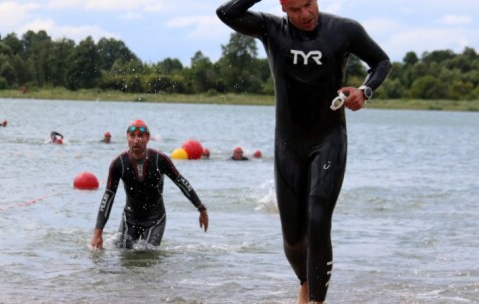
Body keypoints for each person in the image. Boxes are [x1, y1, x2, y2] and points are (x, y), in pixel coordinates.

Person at [217, 1, 392, 303]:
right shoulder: (270, 29)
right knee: (293, 240)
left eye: (309, 4)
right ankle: (306, 283)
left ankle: (316, 301)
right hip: (288, 143)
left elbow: (381, 62)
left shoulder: (344, 30)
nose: (306, 14)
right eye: (296, 9)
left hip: (329, 138)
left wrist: (365, 91)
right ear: (283, 7)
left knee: (318, 215)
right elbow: (226, 13)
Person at [90, 119, 209, 250]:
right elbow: (108, 197)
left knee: (145, 254)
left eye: (140, 136)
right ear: (127, 137)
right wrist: (98, 232)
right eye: (132, 136)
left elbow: (181, 183)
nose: (136, 140)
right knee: (122, 255)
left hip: (155, 219)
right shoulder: (119, 164)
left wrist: (201, 208)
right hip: (129, 219)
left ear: (147, 138)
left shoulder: (159, 160)